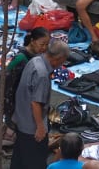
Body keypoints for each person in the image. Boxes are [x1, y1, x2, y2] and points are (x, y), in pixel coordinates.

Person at [10, 40, 70, 169]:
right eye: (62, 61)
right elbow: (36, 103)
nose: (62, 65)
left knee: (19, 158)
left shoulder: (35, 61)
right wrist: (40, 127)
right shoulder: (42, 74)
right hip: (31, 127)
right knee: (35, 161)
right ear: (58, 58)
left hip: (21, 119)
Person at [0, 27, 50, 127]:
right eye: (42, 44)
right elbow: (4, 83)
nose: (44, 48)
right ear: (32, 41)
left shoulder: (37, 56)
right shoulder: (20, 59)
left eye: (46, 45)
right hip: (14, 105)